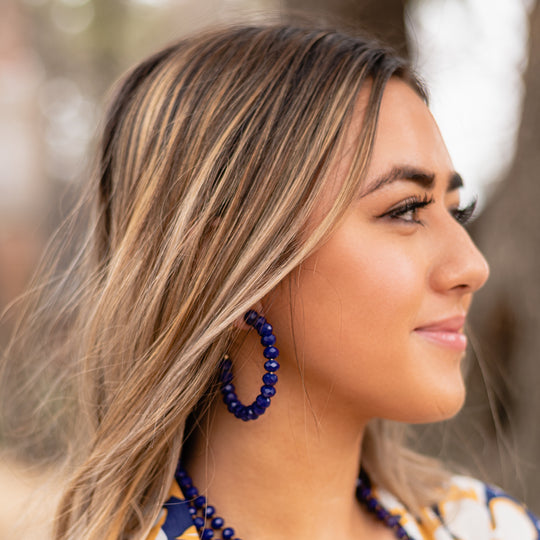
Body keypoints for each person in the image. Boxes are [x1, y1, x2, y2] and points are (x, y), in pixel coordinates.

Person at [5, 22, 539, 540]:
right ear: (221, 262)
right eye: (405, 209)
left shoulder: (492, 527)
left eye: (457, 210)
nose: (472, 266)